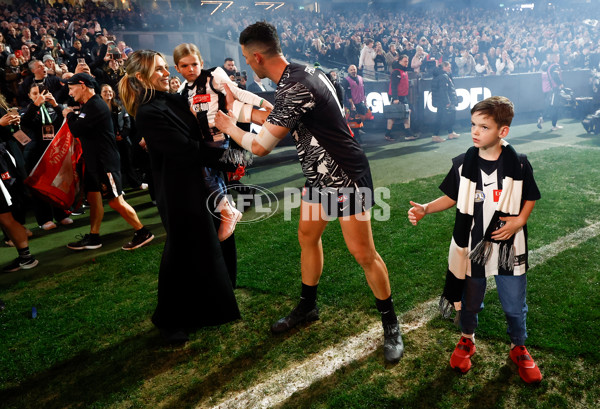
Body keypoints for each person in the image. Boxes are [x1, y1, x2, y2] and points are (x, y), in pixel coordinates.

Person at [214, 22, 404, 364]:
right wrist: (237, 105)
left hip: (344, 175)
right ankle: (308, 305)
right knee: (307, 236)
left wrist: (229, 125)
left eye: (246, 57)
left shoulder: (295, 86)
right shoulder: (299, 73)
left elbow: (260, 146)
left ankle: (391, 324)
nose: (246, 63)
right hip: (319, 176)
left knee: (363, 254)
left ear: (257, 56)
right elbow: (279, 118)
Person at [407, 96, 542, 383]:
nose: (475, 131)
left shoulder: (518, 164)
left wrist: (519, 220)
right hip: (471, 249)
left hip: (509, 246)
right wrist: (426, 209)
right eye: (473, 125)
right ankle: (467, 338)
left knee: (514, 305)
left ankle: (518, 346)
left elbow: (530, 196)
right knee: (469, 301)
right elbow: (452, 196)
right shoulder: (462, 164)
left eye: (484, 126)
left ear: (502, 131)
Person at [118, 50, 240, 343]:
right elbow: (185, 149)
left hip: (197, 181)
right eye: (159, 69)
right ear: (140, 77)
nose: (166, 73)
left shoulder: (169, 100)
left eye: (164, 68)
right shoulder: (149, 111)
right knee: (181, 250)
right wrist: (232, 156)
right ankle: (170, 319)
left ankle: (208, 306)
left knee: (206, 243)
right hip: (178, 189)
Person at [172, 43, 268, 242]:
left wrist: (263, 103)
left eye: (194, 64)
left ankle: (228, 213)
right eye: (184, 66)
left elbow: (238, 92)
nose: (190, 69)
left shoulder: (214, 76)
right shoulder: (182, 89)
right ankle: (228, 210)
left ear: (201, 63)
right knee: (214, 178)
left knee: (206, 175)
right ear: (177, 68)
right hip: (201, 141)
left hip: (218, 139)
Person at [62, 73, 154, 251]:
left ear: (82, 85)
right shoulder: (90, 105)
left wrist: (68, 115)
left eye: (71, 88)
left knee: (115, 201)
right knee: (94, 199)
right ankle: (94, 236)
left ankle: (143, 232)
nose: (70, 93)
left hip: (105, 162)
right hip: (95, 162)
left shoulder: (95, 105)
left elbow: (76, 129)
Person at [19, 83, 73, 230]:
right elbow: (25, 123)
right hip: (35, 154)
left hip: (54, 151)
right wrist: (36, 105)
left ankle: (61, 215)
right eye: (35, 94)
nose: (40, 96)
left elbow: (63, 121)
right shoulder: (25, 110)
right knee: (39, 187)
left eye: (42, 93)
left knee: (57, 183)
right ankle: (44, 219)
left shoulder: (53, 108)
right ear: (29, 96)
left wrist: (55, 104)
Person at [0, 96, 38, 273]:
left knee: (6, 217)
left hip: (4, 165)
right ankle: (25, 256)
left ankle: (26, 256)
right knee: (6, 217)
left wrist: (12, 123)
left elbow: (9, 135)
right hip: (5, 163)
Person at [99, 83, 146, 191]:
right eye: (105, 91)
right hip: (108, 142)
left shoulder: (120, 105)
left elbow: (127, 122)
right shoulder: (98, 108)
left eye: (110, 91)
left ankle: (136, 184)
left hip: (123, 140)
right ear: (100, 94)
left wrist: (123, 135)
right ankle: (118, 188)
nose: (108, 93)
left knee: (128, 163)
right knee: (113, 167)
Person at [384, 57, 414, 142]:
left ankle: (408, 133)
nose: (406, 63)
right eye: (405, 61)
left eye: (407, 61)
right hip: (396, 96)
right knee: (392, 115)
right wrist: (395, 98)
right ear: (400, 61)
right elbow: (393, 86)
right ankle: (388, 133)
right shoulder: (396, 72)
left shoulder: (404, 71)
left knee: (407, 112)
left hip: (402, 96)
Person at [430, 61, 460, 143]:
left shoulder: (439, 75)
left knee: (447, 117)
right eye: (449, 67)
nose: (450, 69)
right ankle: (435, 135)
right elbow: (444, 90)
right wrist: (447, 101)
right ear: (444, 67)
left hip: (441, 100)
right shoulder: (443, 76)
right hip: (443, 101)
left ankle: (450, 133)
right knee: (440, 117)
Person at [538, 53, 564, 131]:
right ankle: (550, 123)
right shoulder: (554, 66)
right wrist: (560, 84)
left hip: (552, 89)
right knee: (554, 107)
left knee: (553, 106)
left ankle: (552, 123)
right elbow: (555, 75)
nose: (559, 58)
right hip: (554, 89)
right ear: (555, 58)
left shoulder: (550, 66)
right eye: (558, 57)